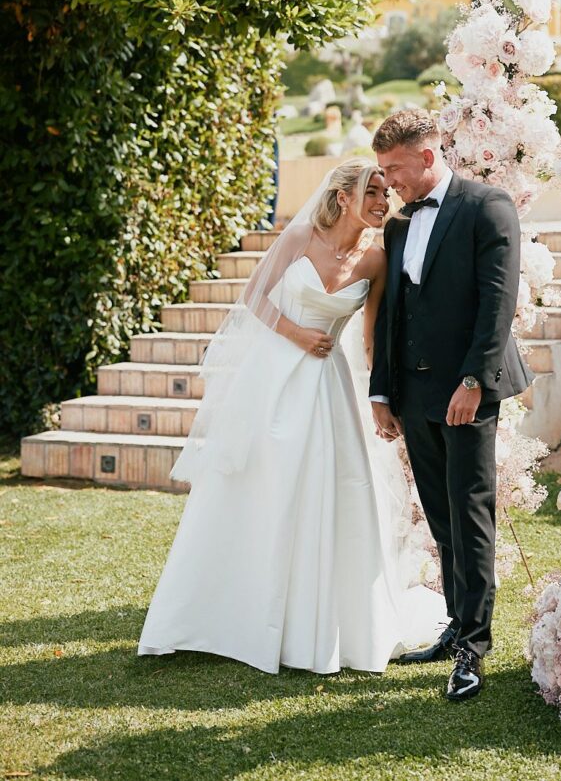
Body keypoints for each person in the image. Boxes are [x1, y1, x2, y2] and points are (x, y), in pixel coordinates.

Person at [138, 160, 445, 674]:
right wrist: (297, 334)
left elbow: (371, 338)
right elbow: (254, 296)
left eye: (384, 194)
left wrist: (383, 397)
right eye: (371, 192)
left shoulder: (376, 261)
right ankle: (225, 612)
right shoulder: (301, 234)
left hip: (330, 387)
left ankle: (319, 621)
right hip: (274, 377)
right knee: (262, 485)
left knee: (334, 488)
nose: (381, 201)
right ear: (343, 196)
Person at [368, 108, 533, 702]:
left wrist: (473, 381)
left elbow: (498, 303)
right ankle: (455, 626)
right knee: (440, 519)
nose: (389, 182)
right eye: (384, 171)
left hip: (468, 392)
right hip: (413, 397)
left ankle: (473, 650)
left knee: (470, 516)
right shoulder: (397, 224)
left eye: (395, 169)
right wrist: (382, 391)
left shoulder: (487, 206)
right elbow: (393, 314)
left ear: (428, 156)